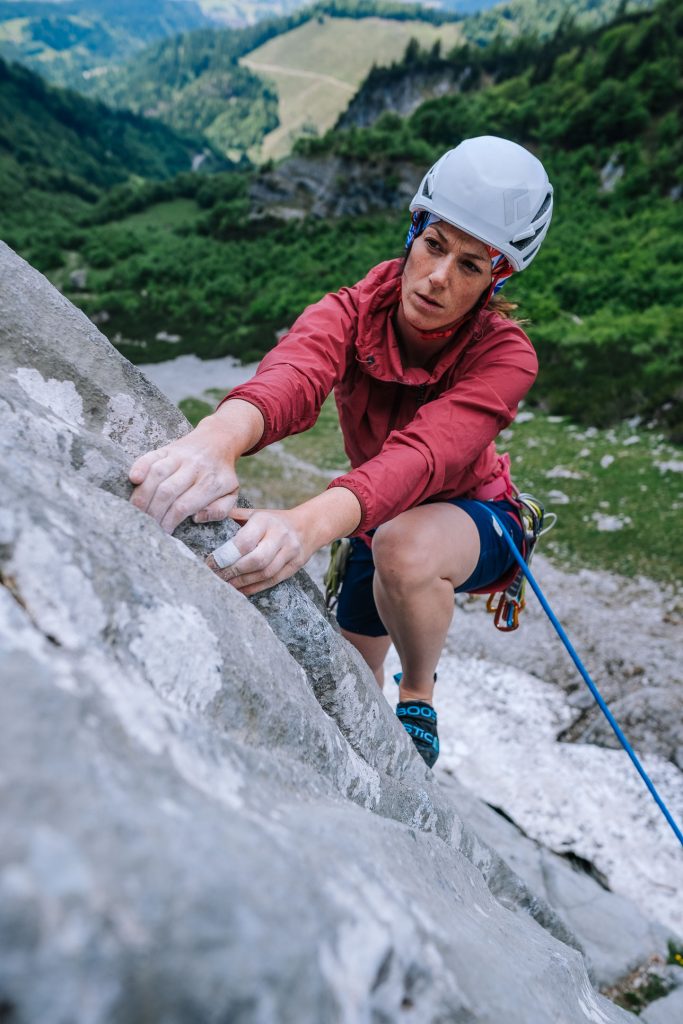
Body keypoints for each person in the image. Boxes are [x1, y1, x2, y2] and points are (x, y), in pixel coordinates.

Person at [129, 135, 553, 769]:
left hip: (476, 517)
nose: (438, 277)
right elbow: (295, 372)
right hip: (371, 512)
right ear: (413, 233)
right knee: (348, 679)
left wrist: (305, 527)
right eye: (435, 245)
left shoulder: (507, 356)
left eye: (470, 265)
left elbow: (425, 454)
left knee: (402, 547)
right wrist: (216, 440)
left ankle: (418, 693)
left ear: (498, 278)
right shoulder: (351, 311)